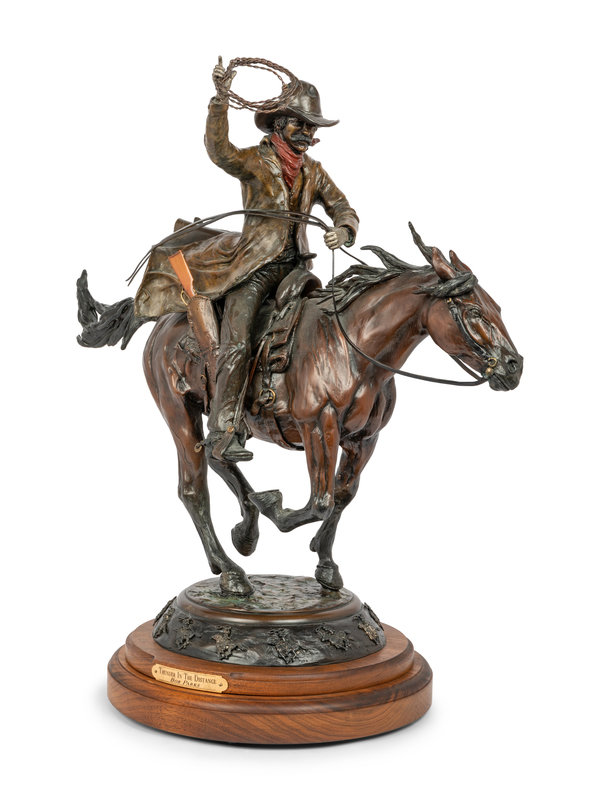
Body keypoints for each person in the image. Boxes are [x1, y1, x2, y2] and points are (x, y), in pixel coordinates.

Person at [134, 59, 359, 462]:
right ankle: (224, 429)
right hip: (253, 270)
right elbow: (219, 151)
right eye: (301, 124)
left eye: (312, 127)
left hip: (296, 271)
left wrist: (343, 230)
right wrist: (220, 101)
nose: (307, 134)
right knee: (237, 342)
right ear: (279, 124)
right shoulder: (255, 161)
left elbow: (343, 208)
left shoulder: (315, 172)